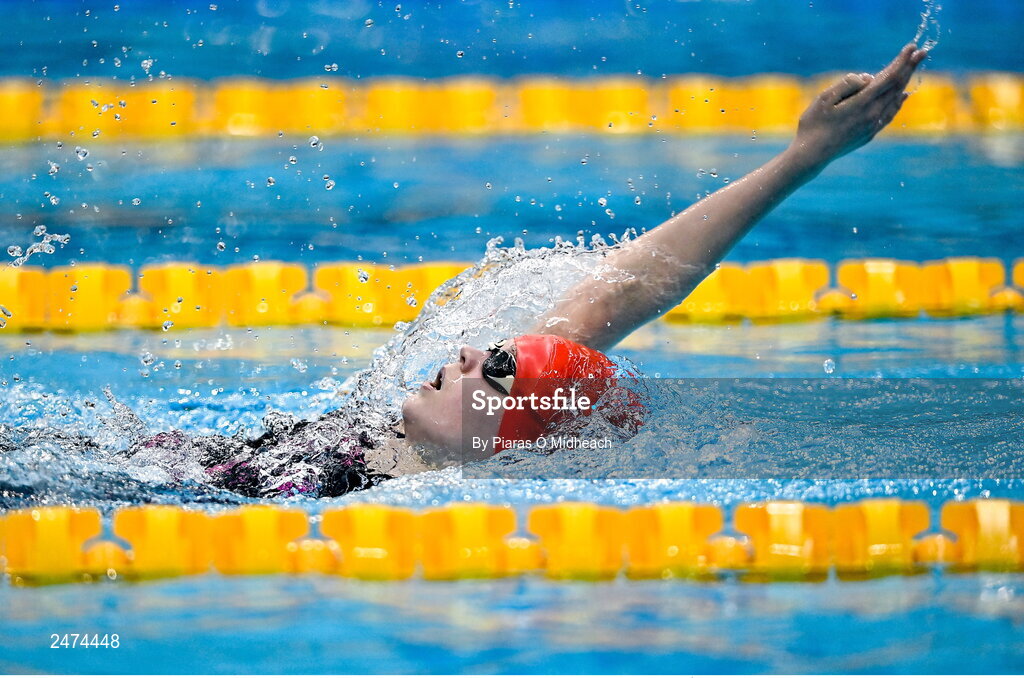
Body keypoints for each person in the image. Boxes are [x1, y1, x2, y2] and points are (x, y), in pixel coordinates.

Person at [139, 44, 927, 498]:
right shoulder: (401, 446)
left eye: (500, 370)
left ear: (514, 436)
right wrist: (803, 158)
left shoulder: (395, 508)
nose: (469, 353)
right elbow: (630, 287)